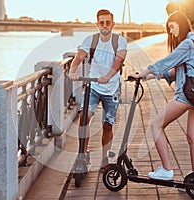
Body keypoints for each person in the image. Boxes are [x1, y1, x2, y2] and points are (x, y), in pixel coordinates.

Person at [128, 10, 194, 180]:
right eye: (169, 29)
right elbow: (175, 71)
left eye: (172, 27)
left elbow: (165, 62)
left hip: (186, 96)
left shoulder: (186, 44)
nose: (171, 31)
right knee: (193, 137)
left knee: (156, 125)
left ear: (181, 23)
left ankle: (166, 170)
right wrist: (148, 77)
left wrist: (141, 73)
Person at [69, 9, 127, 170]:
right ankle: (83, 154)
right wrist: (72, 70)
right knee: (83, 117)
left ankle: (105, 159)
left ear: (112, 24)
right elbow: (80, 56)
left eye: (108, 23)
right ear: (97, 24)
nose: (105, 26)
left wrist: (108, 76)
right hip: (93, 86)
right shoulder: (91, 40)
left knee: (108, 124)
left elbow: (119, 60)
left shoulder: (119, 41)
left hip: (112, 87)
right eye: (101, 23)